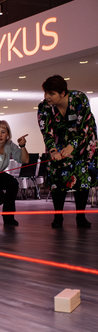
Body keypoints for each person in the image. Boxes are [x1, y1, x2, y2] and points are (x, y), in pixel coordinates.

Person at [37, 75, 98, 228]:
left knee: (81, 179)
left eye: (51, 94)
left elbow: (85, 126)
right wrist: (53, 150)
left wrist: (72, 146)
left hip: (83, 143)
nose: (47, 97)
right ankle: (58, 218)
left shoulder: (79, 99)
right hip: (58, 144)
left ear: (62, 93)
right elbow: (46, 132)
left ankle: (81, 217)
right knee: (57, 180)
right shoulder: (44, 107)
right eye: (46, 93)